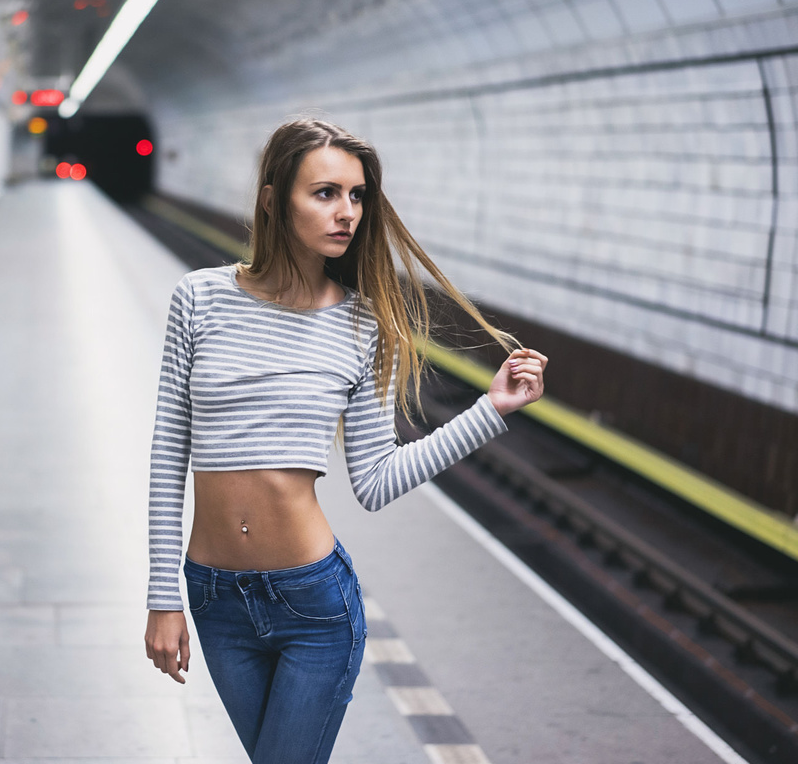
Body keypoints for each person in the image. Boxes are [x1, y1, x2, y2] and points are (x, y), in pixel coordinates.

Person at [142, 118, 548, 763]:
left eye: (357, 196)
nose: (348, 213)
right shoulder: (200, 298)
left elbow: (377, 480)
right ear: (275, 200)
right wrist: (164, 598)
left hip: (313, 605)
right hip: (215, 598)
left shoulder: (365, 325)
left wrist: (490, 410)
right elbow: (169, 456)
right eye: (326, 193)